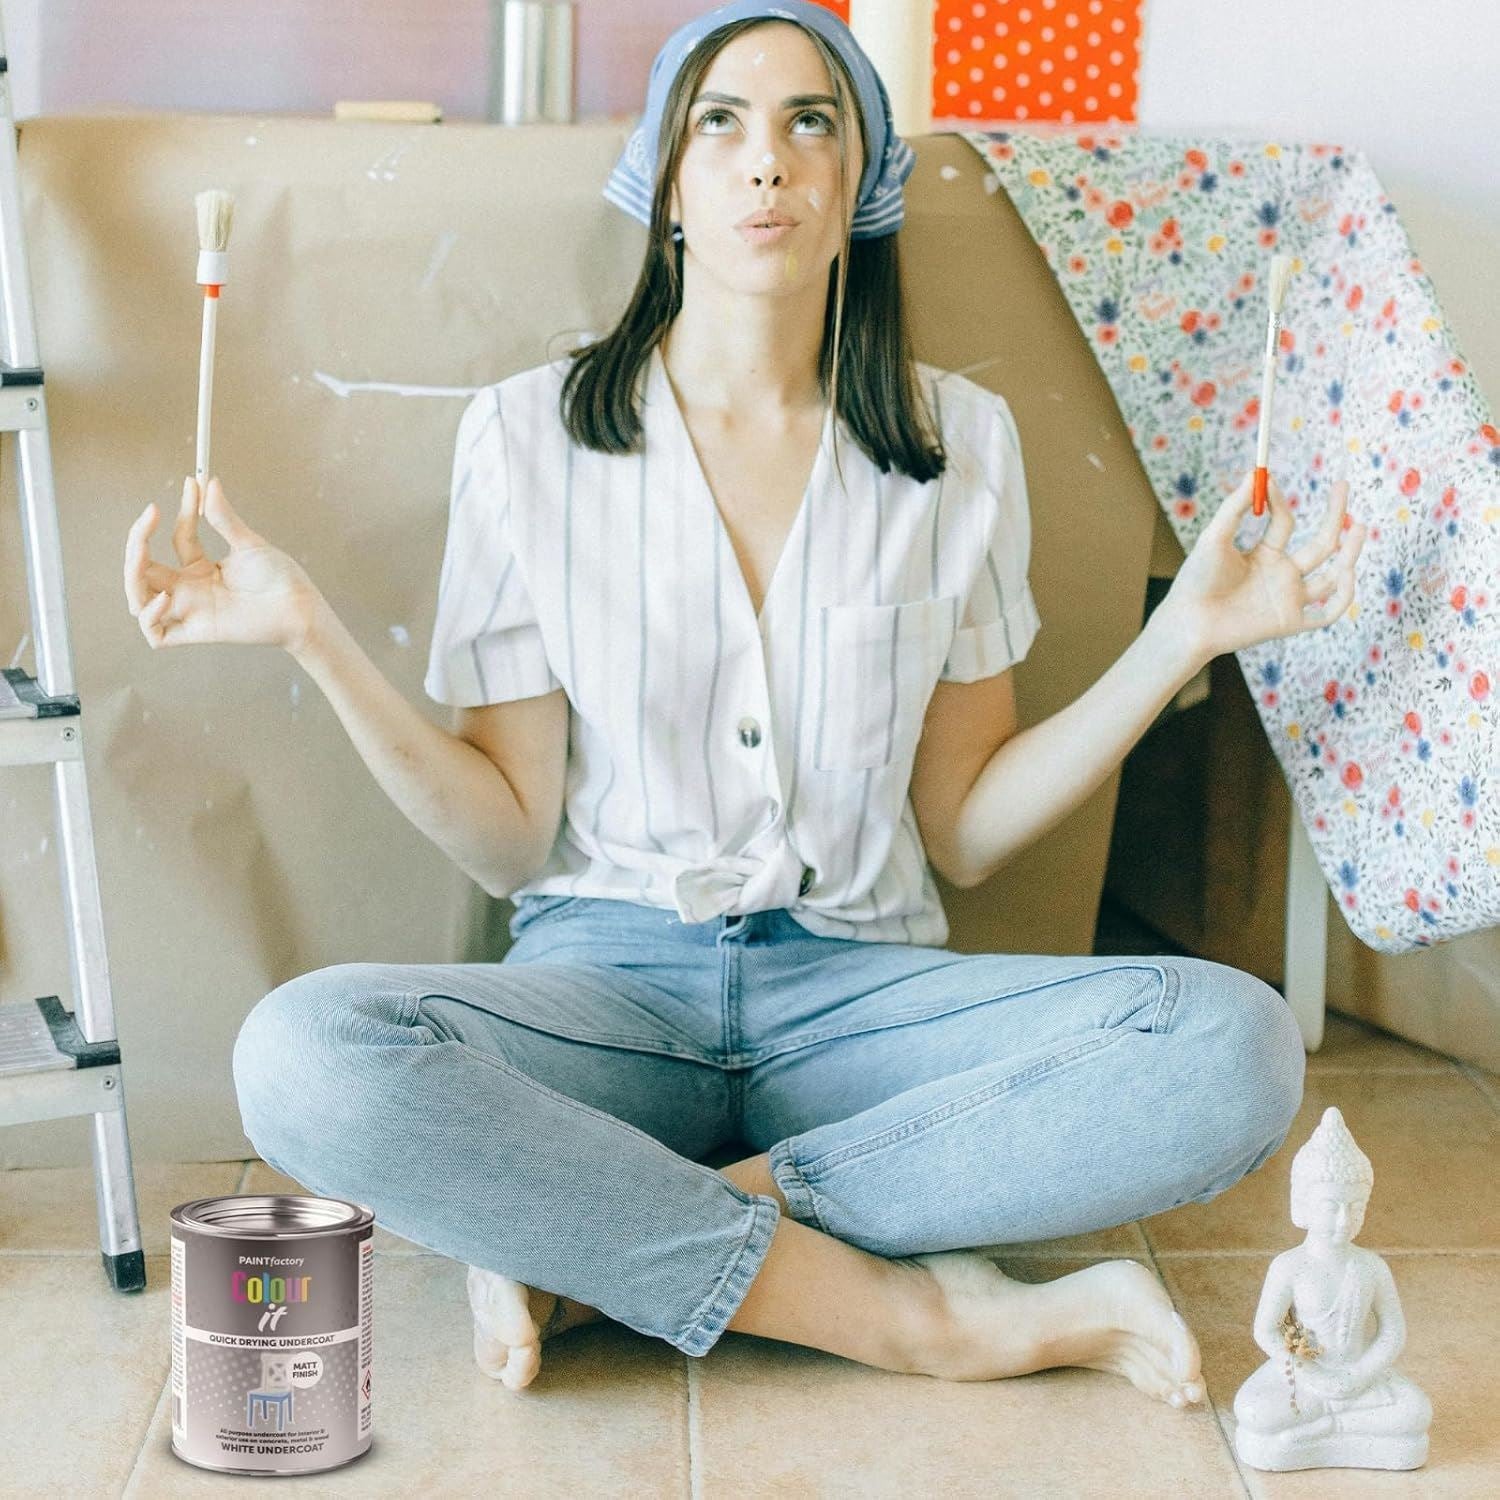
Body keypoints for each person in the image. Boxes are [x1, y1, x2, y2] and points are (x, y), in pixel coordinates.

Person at [122, 0, 1365, 1406]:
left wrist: (1182, 637)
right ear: (665, 186)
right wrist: (307, 634)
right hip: (606, 990)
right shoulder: (528, 439)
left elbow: (965, 827)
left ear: (859, 187)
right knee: (301, 1058)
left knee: (1235, 1047)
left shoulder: (960, 444)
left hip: (863, 996)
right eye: (720, 122)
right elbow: (512, 841)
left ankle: (598, 1237)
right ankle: (913, 1319)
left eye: (808, 121)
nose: (764, 159)